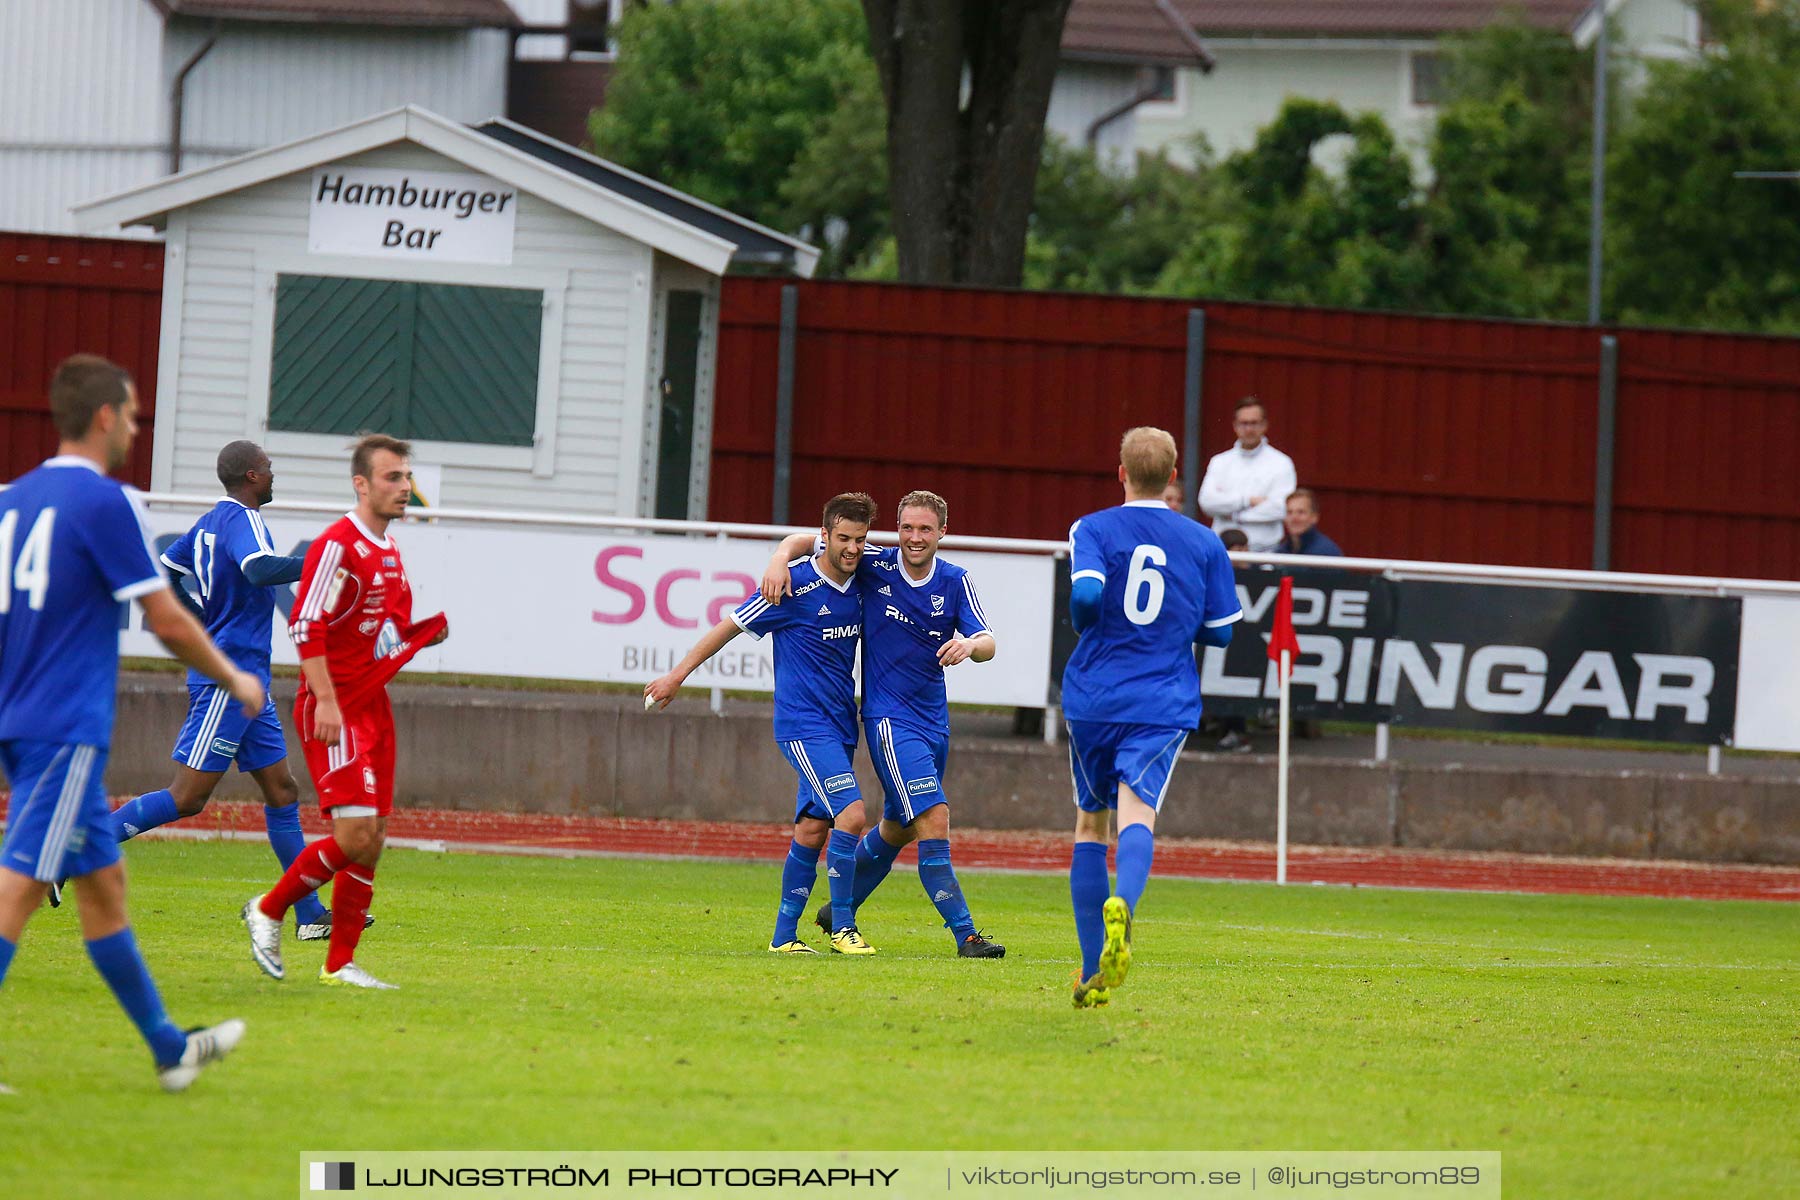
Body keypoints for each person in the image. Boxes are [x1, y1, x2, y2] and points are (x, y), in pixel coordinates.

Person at [0, 355, 255, 1090]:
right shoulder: (105, 502)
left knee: (104, 883)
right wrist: (230, 673)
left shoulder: (15, 501)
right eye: (134, 415)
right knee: (19, 883)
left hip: (22, 720)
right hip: (62, 726)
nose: (136, 427)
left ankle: (170, 1049)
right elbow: (165, 615)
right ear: (105, 417)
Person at [105, 441, 344, 942]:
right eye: (270, 469)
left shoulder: (210, 521)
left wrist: (199, 619)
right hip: (228, 678)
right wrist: (316, 560)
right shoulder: (244, 520)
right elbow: (258, 569)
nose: (274, 476)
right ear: (254, 476)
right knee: (189, 796)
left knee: (282, 790)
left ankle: (309, 915)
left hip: (247, 678)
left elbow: (166, 572)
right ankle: (85, 848)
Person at [758, 490, 1005, 959]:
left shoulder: (956, 581)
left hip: (934, 718)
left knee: (899, 826)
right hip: (889, 720)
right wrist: (777, 559)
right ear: (897, 530)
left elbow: (988, 640)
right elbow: (809, 541)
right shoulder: (874, 563)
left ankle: (836, 910)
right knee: (933, 816)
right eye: (907, 528)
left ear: (942, 533)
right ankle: (966, 935)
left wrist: (971, 647)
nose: (914, 538)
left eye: (925, 529)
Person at [241, 434, 448, 990]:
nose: (404, 488)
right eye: (392, 478)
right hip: (333, 703)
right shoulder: (338, 544)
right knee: (355, 834)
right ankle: (269, 907)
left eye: (407, 477)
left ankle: (340, 963)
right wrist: (327, 700)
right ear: (361, 484)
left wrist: (420, 636)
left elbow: (375, 629)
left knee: (373, 834)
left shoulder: (387, 550)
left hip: (370, 703)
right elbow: (305, 624)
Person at [647, 494, 878, 956]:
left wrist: (778, 552)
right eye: (845, 539)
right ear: (826, 536)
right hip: (802, 726)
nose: (853, 548)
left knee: (813, 829)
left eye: (860, 539)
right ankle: (843, 928)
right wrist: (676, 676)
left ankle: (783, 939)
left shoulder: (864, 573)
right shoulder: (791, 588)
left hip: (839, 727)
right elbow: (727, 627)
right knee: (852, 815)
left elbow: (797, 540)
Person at [1063, 427, 1242, 1008]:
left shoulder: (1091, 528)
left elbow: (1087, 598)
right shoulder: (1204, 541)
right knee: (1137, 813)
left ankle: (1092, 972)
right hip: (1161, 700)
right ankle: (1127, 907)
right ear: (1172, 478)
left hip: (1095, 694)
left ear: (1121, 472)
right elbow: (1221, 631)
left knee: (1091, 822)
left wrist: (1092, 624)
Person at [1197, 397, 1296, 552]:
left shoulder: (1281, 463)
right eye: (1244, 423)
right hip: (1223, 552)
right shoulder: (1220, 462)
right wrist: (1247, 501)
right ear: (1235, 426)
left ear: (1264, 425)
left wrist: (1234, 515)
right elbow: (1207, 502)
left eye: (1254, 423)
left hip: (1265, 553)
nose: (1249, 429)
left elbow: (1280, 508)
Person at [1273, 488, 1343, 557]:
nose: (1294, 518)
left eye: (1301, 512)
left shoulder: (1326, 552)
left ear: (1314, 517)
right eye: (1289, 512)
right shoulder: (1282, 551)